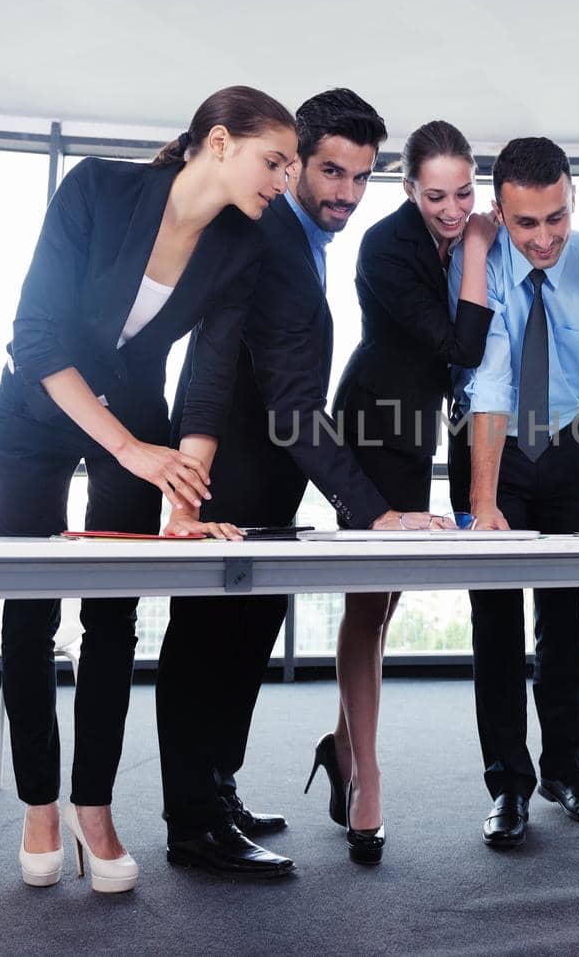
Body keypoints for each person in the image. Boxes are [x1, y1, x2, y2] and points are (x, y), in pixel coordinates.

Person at [0, 85, 296, 893]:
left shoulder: (240, 247)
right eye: (277, 160)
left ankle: (94, 804)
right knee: (29, 610)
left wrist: (185, 505)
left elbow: (209, 376)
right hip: (36, 408)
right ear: (221, 143)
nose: (286, 180)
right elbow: (36, 333)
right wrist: (131, 451)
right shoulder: (97, 187)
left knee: (113, 617)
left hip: (137, 422)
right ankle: (39, 803)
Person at [157, 89, 441, 874]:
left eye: (360, 177)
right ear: (295, 163)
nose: (344, 192)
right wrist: (375, 510)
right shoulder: (272, 236)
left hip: (268, 484)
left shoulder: (297, 239)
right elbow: (289, 403)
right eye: (328, 171)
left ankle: (218, 789)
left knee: (246, 638)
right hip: (232, 478)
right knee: (207, 643)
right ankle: (194, 819)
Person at [448, 136, 579, 848]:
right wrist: (483, 504)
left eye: (557, 218)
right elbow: (492, 378)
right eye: (525, 223)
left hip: (564, 442)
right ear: (500, 212)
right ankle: (508, 785)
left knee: (564, 619)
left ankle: (567, 773)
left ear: (573, 200)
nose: (543, 238)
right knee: (497, 621)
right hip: (488, 445)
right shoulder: (479, 264)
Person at [318, 121, 495, 859]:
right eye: (435, 196)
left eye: (464, 194)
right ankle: (368, 779)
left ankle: (341, 743)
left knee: (385, 603)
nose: (454, 210)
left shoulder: (443, 237)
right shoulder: (389, 246)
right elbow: (463, 345)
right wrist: (480, 248)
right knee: (370, 599)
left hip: (414, 427)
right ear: (407, 188)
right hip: (372, 425)